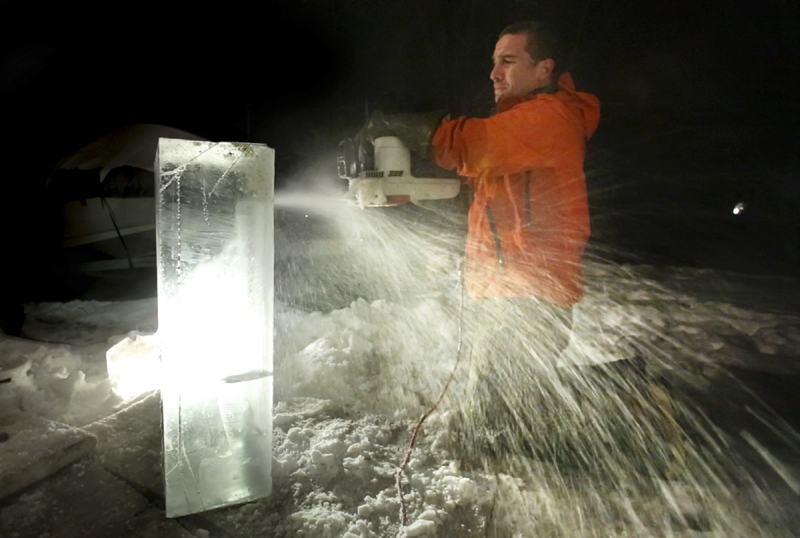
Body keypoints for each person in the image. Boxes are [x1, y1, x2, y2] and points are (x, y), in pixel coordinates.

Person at [362, 20, 600, 456]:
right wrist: (411, 193)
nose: (494, 73)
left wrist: (394, 124)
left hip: (528, 295)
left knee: (498, 419)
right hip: (505, 292)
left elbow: (469, 146)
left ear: (543, 69)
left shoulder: (548, 117)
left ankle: (632, 414)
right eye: (494, 62)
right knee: (503, 410)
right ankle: (533, 459)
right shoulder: (521, 128)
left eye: (508, 61)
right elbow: (472, 201)